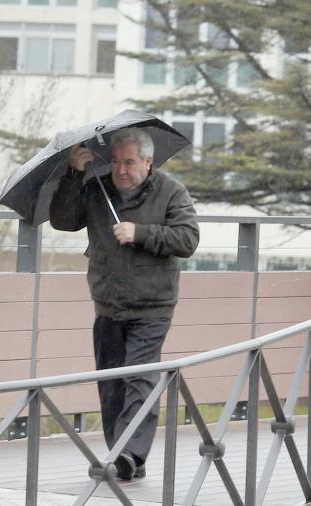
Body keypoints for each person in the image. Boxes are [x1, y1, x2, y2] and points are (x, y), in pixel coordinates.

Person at [49, 127, 199, 479]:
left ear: (148, 162)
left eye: (129, 162)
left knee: (139, 378)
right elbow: (62, 220)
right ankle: (126, 457)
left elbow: (188, 239)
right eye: (115, 161)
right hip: (107, 304)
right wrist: (73, 173)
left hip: (152, 305)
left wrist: (141, 233)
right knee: (112, 385)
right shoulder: (96, 189)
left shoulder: (171, 192)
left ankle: (128, 452)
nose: (120, 170)